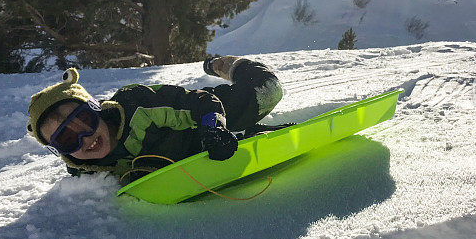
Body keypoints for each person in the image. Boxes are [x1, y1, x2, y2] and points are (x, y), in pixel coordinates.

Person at [26, 56, 285, 184]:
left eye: (83, 122)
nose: (85, 140)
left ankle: (220, 64)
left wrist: (213, 128)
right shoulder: (81, 167)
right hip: (188, 149)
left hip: (204, 115)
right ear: (58, 151)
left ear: (96, 109)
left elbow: (201, 103)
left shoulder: (137, 104)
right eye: (67, 139)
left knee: (268, 90)